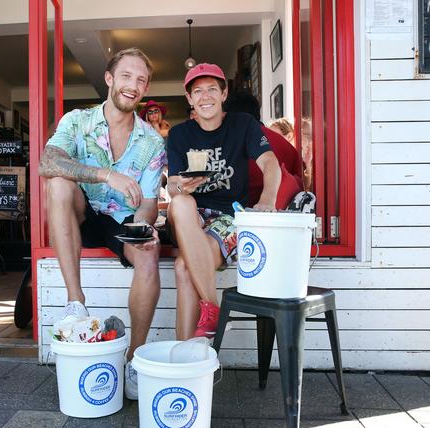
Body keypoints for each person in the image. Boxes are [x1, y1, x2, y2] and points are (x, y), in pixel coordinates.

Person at [40, 47, 166, 400]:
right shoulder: (76, 121)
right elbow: (46, 161)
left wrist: (143, 228)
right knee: (59, 182)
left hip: (122, 220)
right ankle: (75, 302)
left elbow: (151, 203)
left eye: (141, 80)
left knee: (148, 254)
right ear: (110, 79)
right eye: (126, 76)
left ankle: (135, 359)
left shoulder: (153, 142)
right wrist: (104, 175)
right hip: (79, 212)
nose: (133, 85)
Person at [166, 63, 281, 339]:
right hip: (189, 217)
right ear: (189, 98)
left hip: (227, 217)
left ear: (224, 93)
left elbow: (271, 163)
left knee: (183, 265)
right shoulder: (180, 134)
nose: (205, 97)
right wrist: (181, 185)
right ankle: (215, 308)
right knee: (181, 203)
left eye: (212, 89)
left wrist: (267, 200)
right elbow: (171, 185)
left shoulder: (243, 124)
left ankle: (186, 354)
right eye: (198, 91)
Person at [224, 92, 303, 209]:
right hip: (282, 216)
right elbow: (299, 184)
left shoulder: (228, 141)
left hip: (238, 213)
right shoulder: (286, 145)